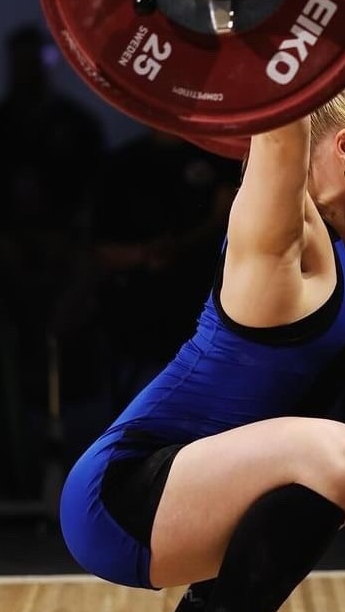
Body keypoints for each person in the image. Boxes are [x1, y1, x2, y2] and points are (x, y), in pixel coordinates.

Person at [59, 63, 345, 612]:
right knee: (339, 456)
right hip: (124, 498)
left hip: (172, 492)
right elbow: (277, 125)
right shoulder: (281, 233)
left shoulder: (334, 247)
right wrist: (259, 10)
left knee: (320, 459)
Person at [0, 22, 106, 498]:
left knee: (75, 329)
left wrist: (67, 244)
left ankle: (74, 452)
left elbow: (94, 200)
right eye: (16, 61)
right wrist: (1, 243)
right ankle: (4, 456)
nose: (25, 70)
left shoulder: (78, 125)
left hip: (65, 255)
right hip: (5, 256)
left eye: (34, 60)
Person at [91, 128, 239, 411]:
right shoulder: (122, 162)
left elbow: (227, 216)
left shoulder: (218, 157)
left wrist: (181, 246)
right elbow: (98, 249)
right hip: (136, 326)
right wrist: (145, 254)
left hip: (207, 322)